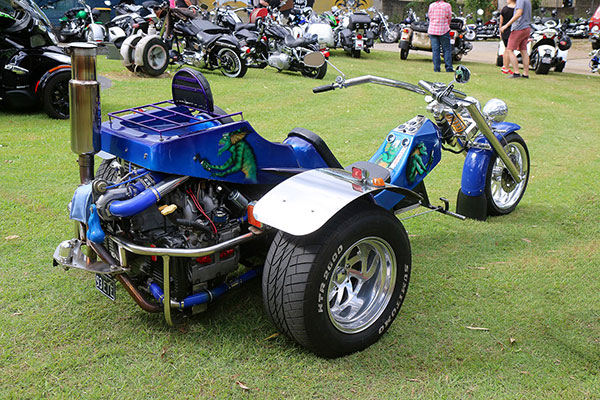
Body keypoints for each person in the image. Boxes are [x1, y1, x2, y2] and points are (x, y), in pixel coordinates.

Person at [500, 0, 532, 78]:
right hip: (527, 28)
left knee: (509, 50)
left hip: (519, 28)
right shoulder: (528, 1)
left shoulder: (520, 1)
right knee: (523, 51)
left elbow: (518, 13)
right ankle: (525, 73)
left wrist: (506, 25)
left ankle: (516, 72)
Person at [427, 0, 453, 72]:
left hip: (432, 30)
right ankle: (448, 67)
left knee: (435, 50)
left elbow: (430, 16)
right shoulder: (447, 5)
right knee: (446, 50)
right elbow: (449, 17)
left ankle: (436, 68)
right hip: (443, 29)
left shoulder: (432, 5)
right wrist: (447, 25)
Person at [499, 0, 516, 74]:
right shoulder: (518, 10)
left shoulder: (504, 9)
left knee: (506, 49)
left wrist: (500, 31)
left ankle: (505, 66)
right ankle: (506, 67)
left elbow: (501, 21)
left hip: (504, 31)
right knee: (510, 50)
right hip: (513, 31)